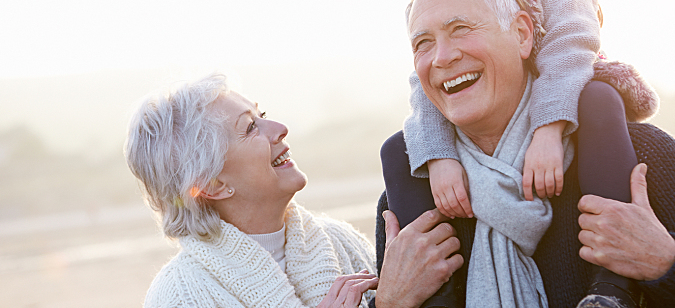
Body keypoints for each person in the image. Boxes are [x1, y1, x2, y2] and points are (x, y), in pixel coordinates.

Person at [376, 0, 675, 307]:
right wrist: (390, 303)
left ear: (522, 34)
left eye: (460, 29)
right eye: (422, 44)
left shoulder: (640, 158)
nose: (442, 57)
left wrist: (667, 262)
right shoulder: (411, 200)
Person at [381, 0, 656, 307]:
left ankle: (612, 286)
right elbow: (426, 82)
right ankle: (438, 295)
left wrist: (549, 130)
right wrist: (440, 156)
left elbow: (572, 42)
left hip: (565, 85)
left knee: (599, 100)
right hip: (489, 117)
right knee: (399, 149)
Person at [125, 74, 463, 308]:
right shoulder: (179, 297)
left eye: (264, 115)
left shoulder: (339, 241)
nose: (280, 129)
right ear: (212, 185)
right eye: (250, 127)